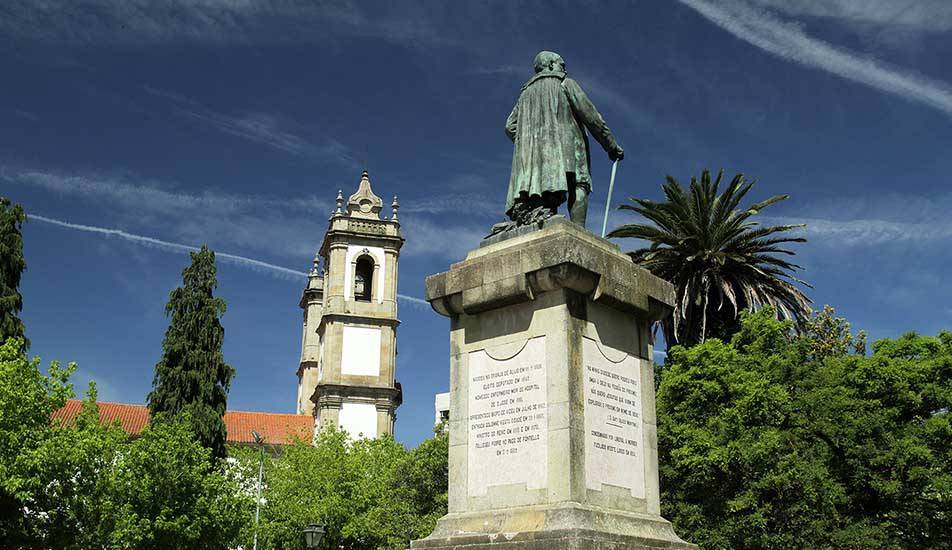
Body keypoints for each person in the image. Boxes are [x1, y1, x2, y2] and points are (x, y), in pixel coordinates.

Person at [504, 51, 624, 227]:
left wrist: (531, 142)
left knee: (545, 195)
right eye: (562, 65)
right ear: (551, 65)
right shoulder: (565, 83)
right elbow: (592, 117)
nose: (565, 69)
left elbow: (510, 126)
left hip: (535, 159)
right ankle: (578, 231)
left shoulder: (524, 95)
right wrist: (611, 146)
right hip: (569, 147)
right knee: (579, 184)